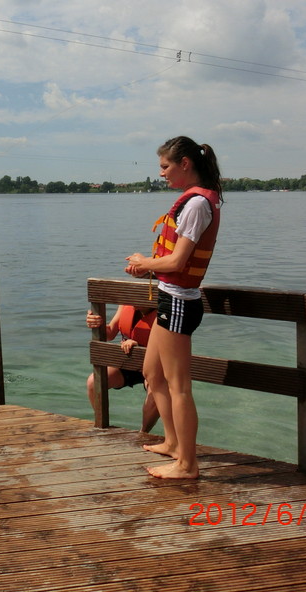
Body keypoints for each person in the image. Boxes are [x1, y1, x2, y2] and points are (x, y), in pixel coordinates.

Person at [124, 136, 222, 479]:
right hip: (170, 297)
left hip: (180, 303)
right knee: (152, 374)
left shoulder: (197, 205)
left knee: (180, 386)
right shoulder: (193, 201)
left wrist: (145, 261)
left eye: (165, 167)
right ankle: (172, 443)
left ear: (185, 164)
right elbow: (173, 261)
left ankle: (187, 464)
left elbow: (179, 259)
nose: (162, 174)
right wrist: (147, 266)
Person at [85, 305, 160, 433]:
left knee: (156, 393)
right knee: (93, 383)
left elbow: (167, 346)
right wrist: (98, 323)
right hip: (128, 363)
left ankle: (143, 433)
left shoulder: (163, 309)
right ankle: (102, 425)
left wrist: (138, 346)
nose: (132, 300)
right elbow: (109, 334)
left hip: (153, 364)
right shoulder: (126, 305)